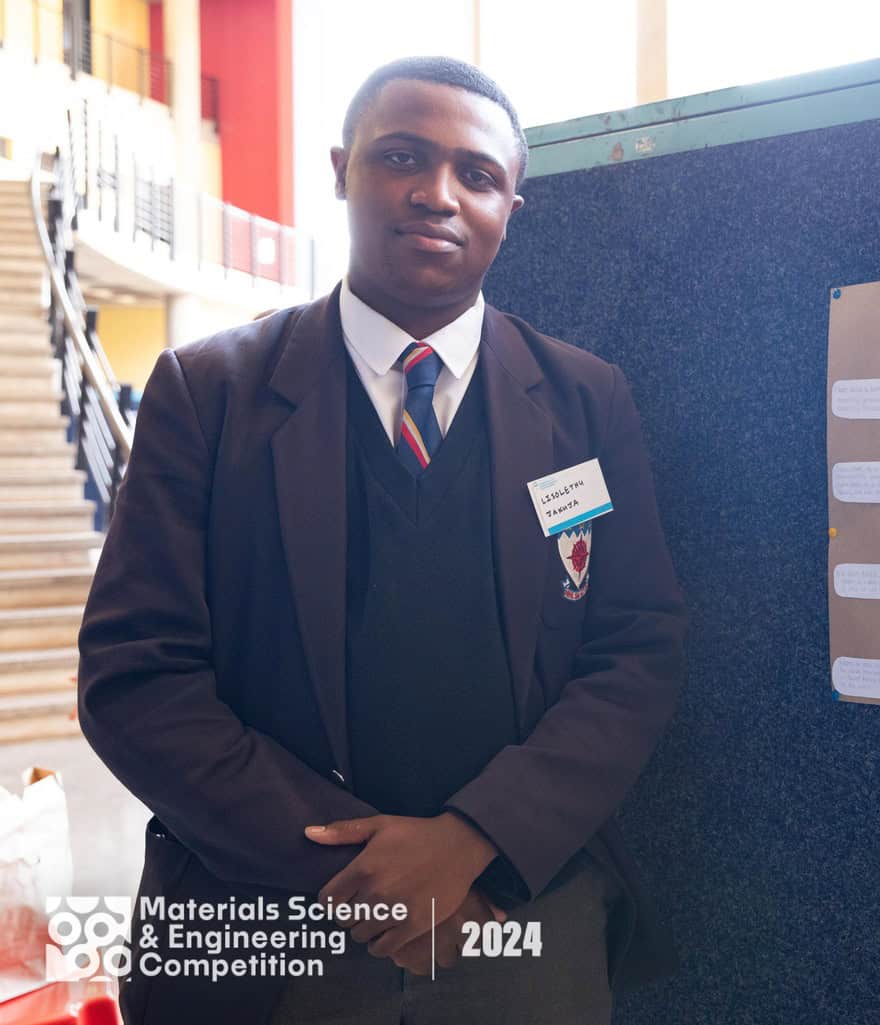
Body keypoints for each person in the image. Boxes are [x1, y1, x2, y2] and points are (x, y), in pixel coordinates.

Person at [76, 56, 687, 1025]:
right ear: (341, 171)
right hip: (269, 921)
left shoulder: (584, 400)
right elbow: (136, 676)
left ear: (511, 206)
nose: (437, 193)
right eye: (402, 157)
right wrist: (369, 873)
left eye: (477, 175)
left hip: (516, 915)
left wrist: (474, 838)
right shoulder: (209, 394)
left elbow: (635, 649)